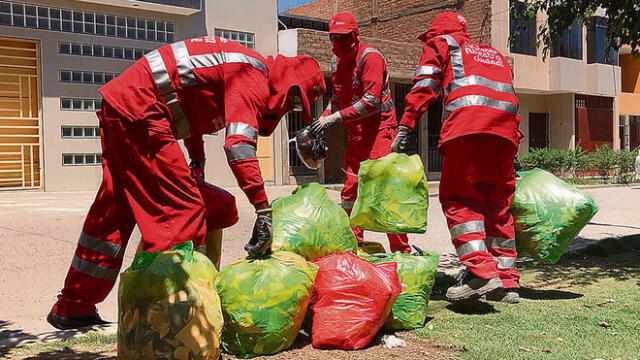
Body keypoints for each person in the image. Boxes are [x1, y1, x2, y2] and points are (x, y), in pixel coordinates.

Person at [47, 35, 326, 330]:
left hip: (124, 105)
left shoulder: (240, 68)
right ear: (289, 82)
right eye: (296, 100)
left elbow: (187, 108)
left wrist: (197, 162)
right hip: (141, 109)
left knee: (114, 212)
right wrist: (263, 211)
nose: (290, 108)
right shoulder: (252, 74)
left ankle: (73, 307)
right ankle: (164, 323)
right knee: (184, 212)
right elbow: (239, 146)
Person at [393, 12, 523, 303]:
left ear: (436, 32)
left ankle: (480, 273)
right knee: (498, 205)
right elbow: (511, 97)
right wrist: (515, 143)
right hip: (504, 136)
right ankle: (507, 280)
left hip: (466, 129)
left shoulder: (443, 43)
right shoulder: (494, 55)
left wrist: (406, 125)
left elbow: (425, 84)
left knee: (460, 200)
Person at [309, 11, 411, 253]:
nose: (337, 43)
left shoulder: (370, 58)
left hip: (380, 132)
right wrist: (322, 119)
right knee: (351, 189)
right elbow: (337, 98)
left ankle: (401, 252)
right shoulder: (336, 62)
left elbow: (371, 101)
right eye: (333, 37)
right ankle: (353, 246)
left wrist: (333, 119)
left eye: (343, 37)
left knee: (384, 191)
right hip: (356, 134)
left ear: (355, 35)